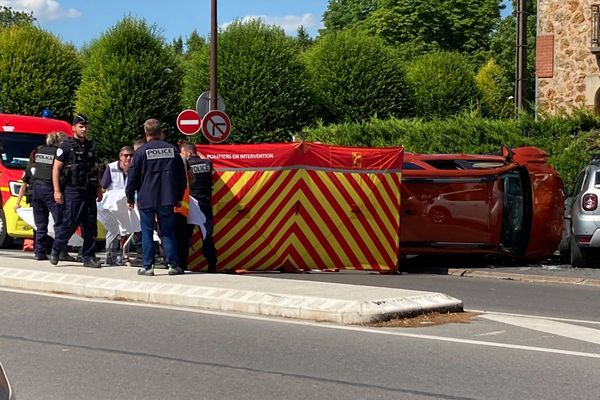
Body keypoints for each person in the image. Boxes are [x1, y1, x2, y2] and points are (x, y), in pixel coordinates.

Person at [126, 118, 186, 276]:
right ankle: (173, 265)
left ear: (146, 133)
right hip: (167, 197)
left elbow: (132, 177)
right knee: (167, 232)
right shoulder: (172, 150)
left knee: (146, 232)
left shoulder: (140, 152)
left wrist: (130, 198)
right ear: (160, 132)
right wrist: (179, 196)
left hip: (146, 198)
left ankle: (148, 266)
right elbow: (181, 176)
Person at [49, 114, 103, 268]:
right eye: (81, 126)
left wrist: (99, 188)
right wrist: (57, 191)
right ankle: (57, 248)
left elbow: (95, 169)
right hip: (73, 191)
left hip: (89, 190)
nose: (84, 129)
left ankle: (89, 257)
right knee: (69, 223)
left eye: (86, 126)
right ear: (73, 128)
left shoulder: (91, 146)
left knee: (90, 225)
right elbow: (56, 169)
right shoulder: (66, 146)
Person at [14, 132, 75, 261]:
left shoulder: (40, 151)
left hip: (37, 190)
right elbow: (60, 170)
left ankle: (39, 252)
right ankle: (60, 251)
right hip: (50, 190)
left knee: (41, 224)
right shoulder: (58, 153)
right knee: (59, 222)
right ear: (58, 141)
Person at [176, 143, 217, 272]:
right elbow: (205, 159)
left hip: (191, 205)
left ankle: (182, 264)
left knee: (185, 236)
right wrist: (196, 151)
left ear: (187, 153)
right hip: (205, 204)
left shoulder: (186, 165)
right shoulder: (207, 164)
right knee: (207, 235)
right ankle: (212, 264)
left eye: (182, 153)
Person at [99, 145, 134, 265]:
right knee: (113, 230)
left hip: (127, 204)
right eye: (125, 155)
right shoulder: (111, 167)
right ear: (120, 156)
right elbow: (104, 186)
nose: (128, 158)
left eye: (131, 155)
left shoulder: (134, 168)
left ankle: (124, 256)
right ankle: (110, 256)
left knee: (127, 230)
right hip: (112, 205)